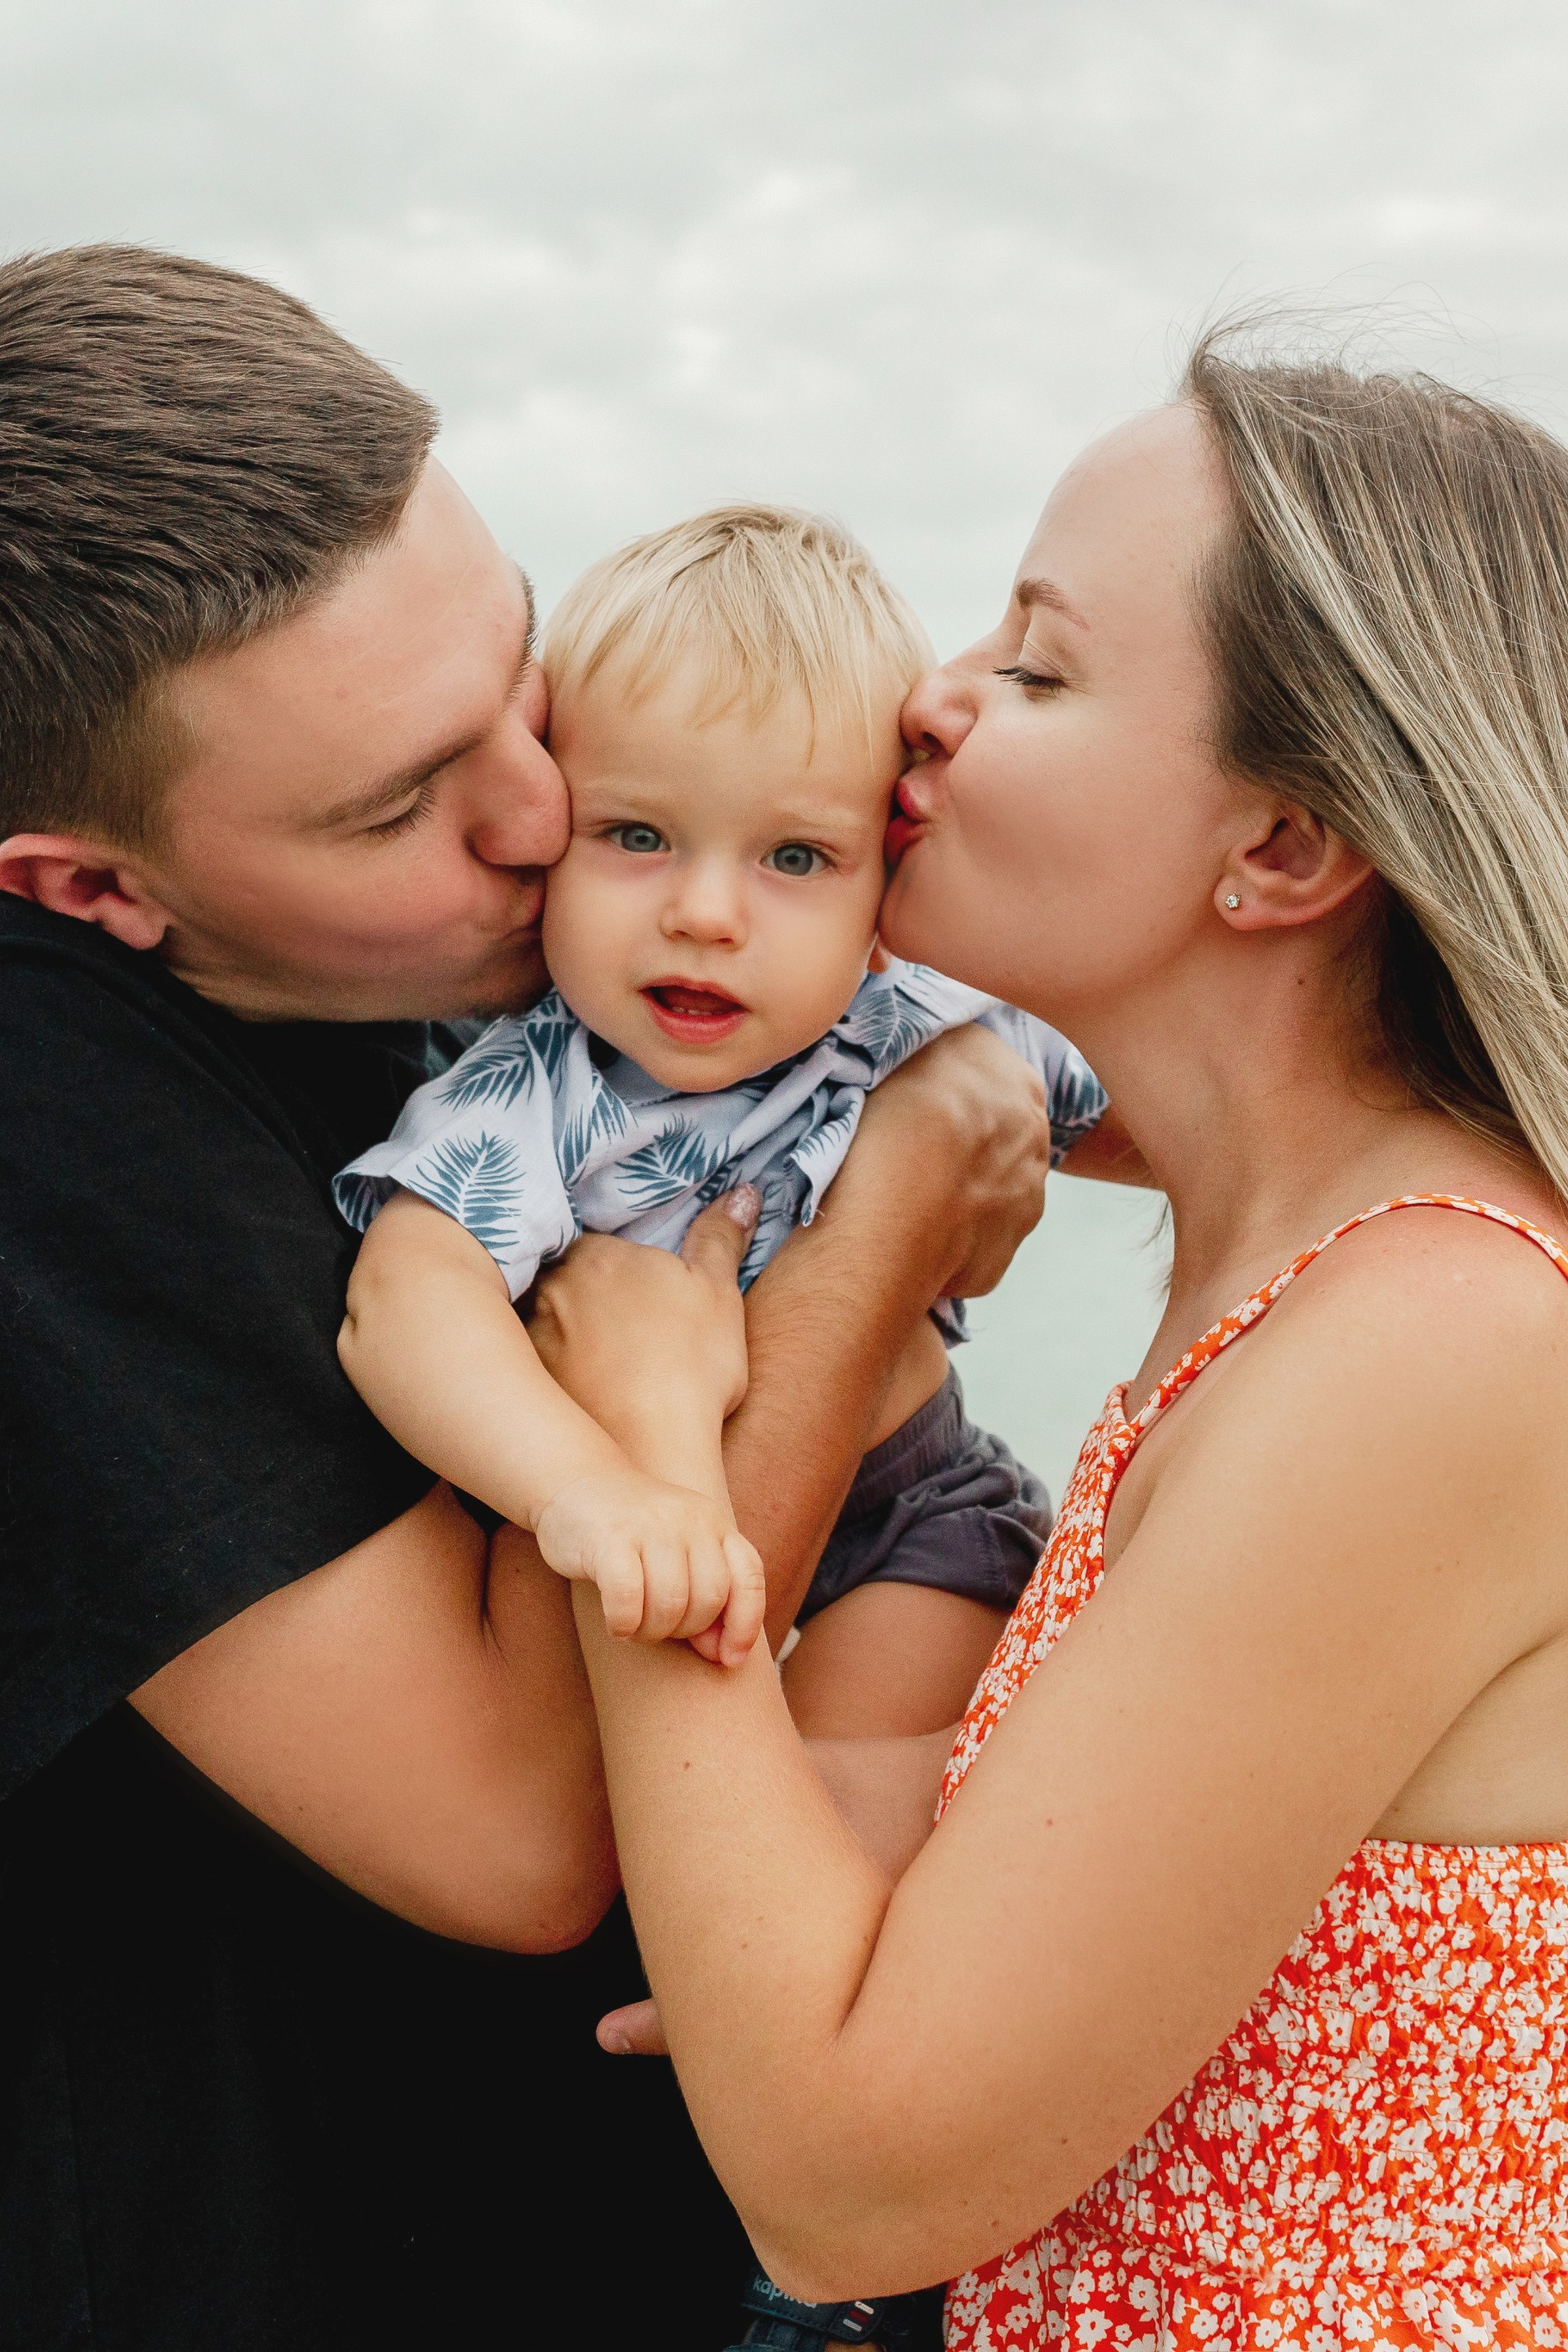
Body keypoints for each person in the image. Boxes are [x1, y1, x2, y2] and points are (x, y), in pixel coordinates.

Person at [0, 243, 1059, 2351]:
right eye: (401, 803)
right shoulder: (47, 1097)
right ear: (90, 887)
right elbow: (523, 1832)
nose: (543, 813)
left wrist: (960, 756)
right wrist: (884, 1226)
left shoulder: (446, 959)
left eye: (518, 680)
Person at [536, 326, 1568, 2352]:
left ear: (1280, 850)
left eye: (1036, 665)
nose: (927, 697)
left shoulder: (1435, 1340)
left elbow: (847, 2186)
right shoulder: (1312, 1265)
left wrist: (631, 1474)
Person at [336, 505, 1106, 1731]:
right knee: (679, 1839)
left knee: (852, 1839)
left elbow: (1191, 1119)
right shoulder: (538, 1088)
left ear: (884, 881)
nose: (703, 913)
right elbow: (405, 1307)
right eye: (635, 835)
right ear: (550, 835)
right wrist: (580, 1488)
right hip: (635, 1529)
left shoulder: (925, 1018)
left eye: (793, 859)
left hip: (911, 1515)